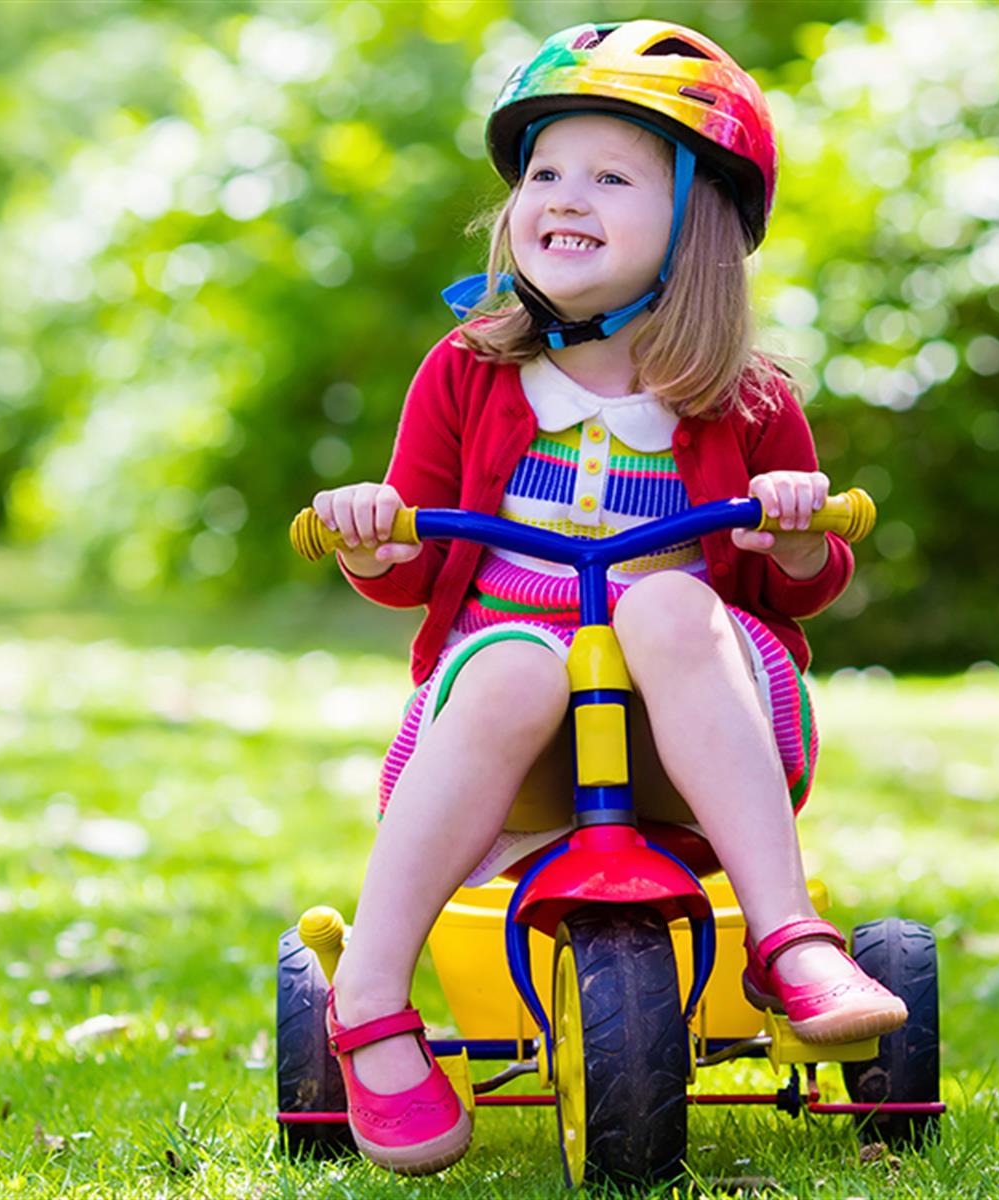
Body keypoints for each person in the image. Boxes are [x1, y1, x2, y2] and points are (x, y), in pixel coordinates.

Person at [310, 19, 907, 1174]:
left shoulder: (741, 398)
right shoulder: (469, 371)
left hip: (688, 727)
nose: (562, 195)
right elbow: (420, 566)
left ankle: (786, 934)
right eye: (543, 171)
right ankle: (372, 993)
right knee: (527, 656)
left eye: (611, 175)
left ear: (702, 220)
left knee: (667, 604)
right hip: (512, 725)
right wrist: (373, 538)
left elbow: (807, 581)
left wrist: (792, 530)